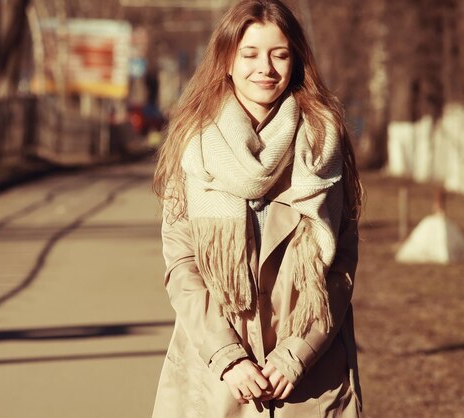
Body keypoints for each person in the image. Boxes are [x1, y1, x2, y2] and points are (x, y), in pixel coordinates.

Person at [151, 0, 364, 416]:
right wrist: (227, 357)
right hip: (215, 379)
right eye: (249, 54)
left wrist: (295, 356)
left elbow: (340, 268)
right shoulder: (193, 143)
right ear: (227, 60)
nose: (264, 68)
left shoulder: (324, 143)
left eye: (279, 54)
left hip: (307, 379)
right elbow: (182, 265)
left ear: (296, 61)